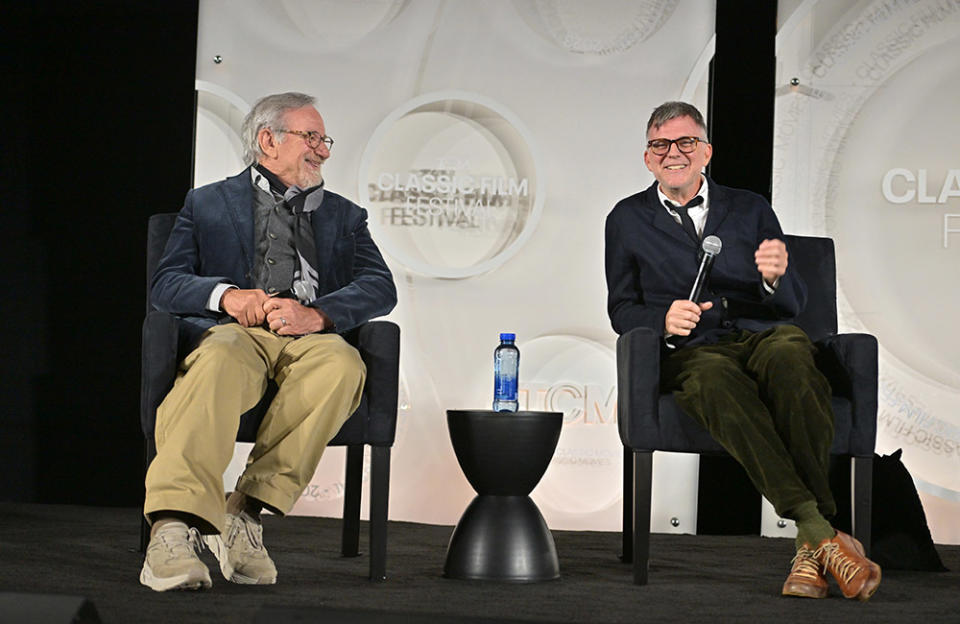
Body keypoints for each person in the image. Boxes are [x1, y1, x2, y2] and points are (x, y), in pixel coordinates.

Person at [604, 101, 881, 600]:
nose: (674, 153)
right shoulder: (626, 219)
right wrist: (660, 319)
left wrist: (775, 278)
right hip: (697, 349)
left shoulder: (750, 208)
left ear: (705, 152)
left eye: (686, 142)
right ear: (648, 159)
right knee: (713, 380)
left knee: (795, 358)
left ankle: (811, 544)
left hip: (763, 333)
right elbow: (622, 308)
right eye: (661, 145)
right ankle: (820, 532)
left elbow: (795, 304)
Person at [140, 92, 397, 591]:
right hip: (235, 331)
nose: (323, 150)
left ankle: (245, 512)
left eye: (325, 141)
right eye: (312, 138)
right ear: (267, 140)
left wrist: (318, 313)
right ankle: (172, 527)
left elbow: (379, 286)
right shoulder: (208, 203)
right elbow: (166, 283)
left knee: (342, 367)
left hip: (307, 336)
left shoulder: (345, 216)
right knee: (217, 361)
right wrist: (227, 296)